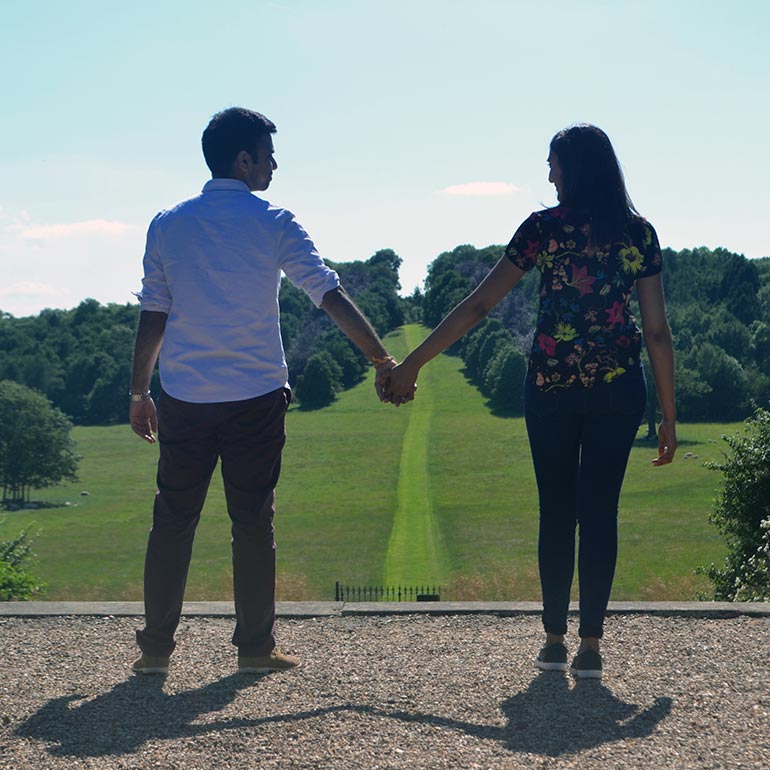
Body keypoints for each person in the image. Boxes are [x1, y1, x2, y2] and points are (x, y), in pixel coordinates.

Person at [384, 124, 676, 679]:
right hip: (620, 390)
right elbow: (657, 333)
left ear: (574, 168)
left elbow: (479, 306)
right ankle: (591, 646)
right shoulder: (639, 233)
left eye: (553, 164)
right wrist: (669, 412)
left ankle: (553, 640)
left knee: (557, 512)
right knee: (600, 513)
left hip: (550, 389)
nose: (548, 175)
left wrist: (413, 364)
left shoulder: (543, 229)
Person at [129, 107, 396, 676]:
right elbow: (327, 294)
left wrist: (138, 391)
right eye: (268, 154)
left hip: (184, 397)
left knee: (172, 519)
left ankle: (154, 652)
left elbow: (154, 312)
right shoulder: (275, 221)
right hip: (255, 397)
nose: (275, 164)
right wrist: (380, 358)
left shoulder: (167, 223)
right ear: (244, 160)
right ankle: (254, 650)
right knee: (252, 521)